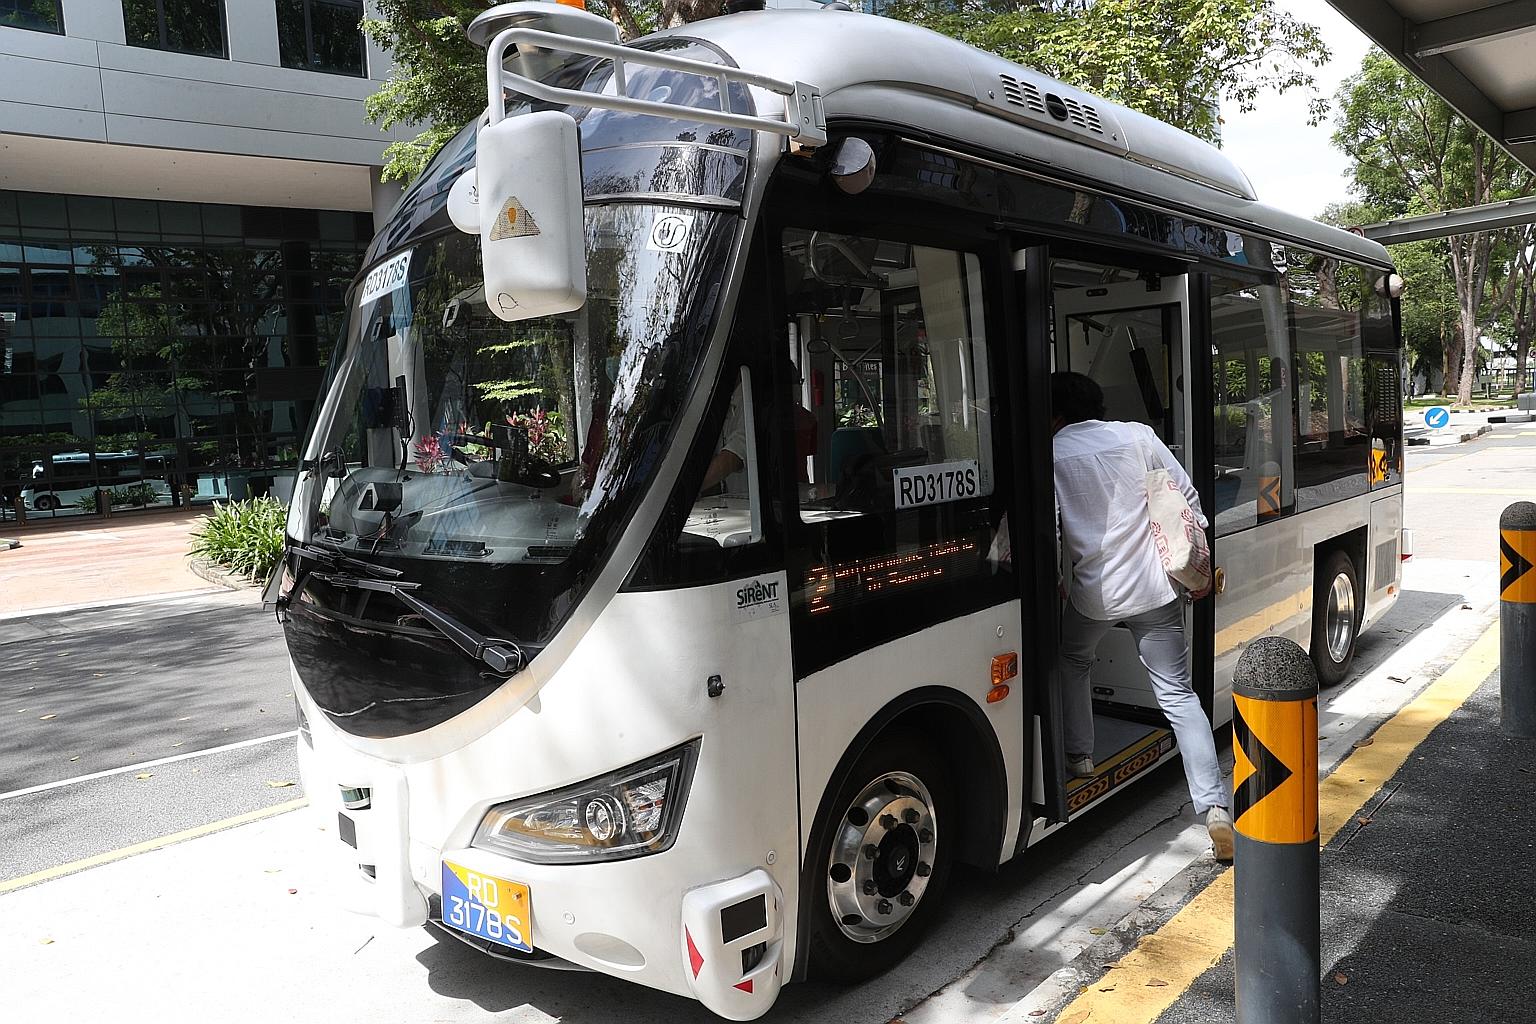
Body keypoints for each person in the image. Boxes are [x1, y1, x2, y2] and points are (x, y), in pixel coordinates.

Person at [1051, 370, 1233, 862]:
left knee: (1073, 660)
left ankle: (1080, 756)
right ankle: (1215, 807)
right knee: (1178, 695)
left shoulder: (1051, 454)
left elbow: (1049, 530)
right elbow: (1186, 500)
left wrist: (1058, 575)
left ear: (1055, 415)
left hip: (1095, 595)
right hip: (1156, 590)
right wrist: (1196, 566)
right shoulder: (1138, 436)